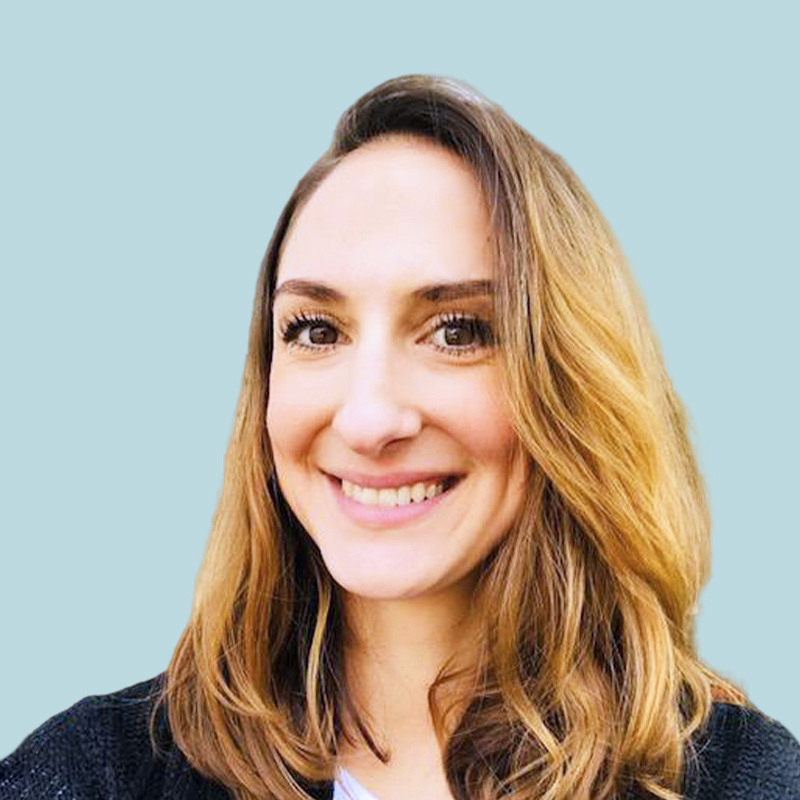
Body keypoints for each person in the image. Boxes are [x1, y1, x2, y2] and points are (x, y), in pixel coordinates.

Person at [1, 75, 798, 800]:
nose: (368, 418)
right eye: (316, 329)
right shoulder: (92, 775)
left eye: (457, 330)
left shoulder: (747, 782)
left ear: (572, 384)